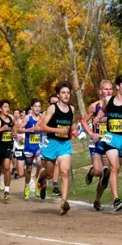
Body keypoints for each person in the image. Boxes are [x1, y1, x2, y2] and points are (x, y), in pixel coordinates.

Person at [37, 82, 75, 215]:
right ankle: (42, 178)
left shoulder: (72, 109)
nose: (66, 95)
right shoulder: (52, 108)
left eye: (68, 93)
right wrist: (58, 129)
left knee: (65, 172)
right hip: (51, 143)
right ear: (58, 95)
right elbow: (42, 127)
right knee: (49, 173)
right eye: (63, 93)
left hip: (65, 145)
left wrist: (72, 130)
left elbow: (70, 125)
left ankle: (63, 203)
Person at [96, 75, 122, 212]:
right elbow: (103, 109)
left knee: (112, 171)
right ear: (117, 87)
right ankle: (116, 200)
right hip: (110, 138)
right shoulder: (108, 99)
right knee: (115, 167)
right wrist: (98, 117)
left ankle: (97, 198)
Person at [80, 80, 113, 211]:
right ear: (100, 91)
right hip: (95, 142)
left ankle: (97, 200)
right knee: (99, 171)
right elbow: (83, 121)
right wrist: (90, 133)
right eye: (106, 89)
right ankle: (91, 172)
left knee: (106, 173)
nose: (109, 91)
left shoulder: (115, 105)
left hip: (109, 142)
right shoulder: (94, 106)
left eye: (110, 89)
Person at [19, 99, 43, 200]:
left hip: (39, 147)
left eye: (39, 106)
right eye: (35, 106)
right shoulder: (27, 118)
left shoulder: (42, 118)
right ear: (32, 108)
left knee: (40, 165)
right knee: (28, 170)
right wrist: (29, 130)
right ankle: (27, 187)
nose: (37, 108)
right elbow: (19, 129)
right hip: (29, 147)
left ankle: (38, 185)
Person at [47, 94, 61, 196]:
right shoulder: (46, 114)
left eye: (56, 102)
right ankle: (42, 178)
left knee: (57, 163)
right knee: (48, 173)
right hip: (47, 142)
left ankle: (55, 186)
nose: (55, 105)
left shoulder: (63, 113)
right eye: (52, 103)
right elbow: (39, 127)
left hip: (60, 142)